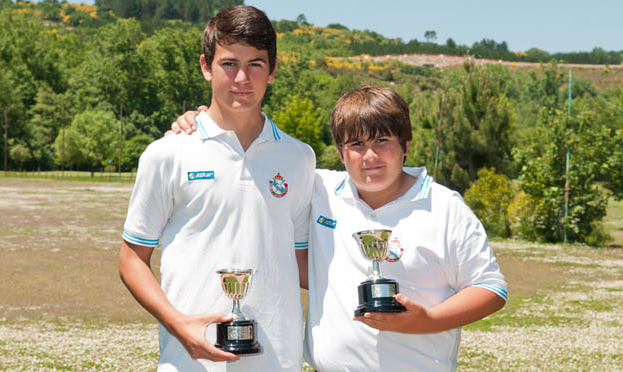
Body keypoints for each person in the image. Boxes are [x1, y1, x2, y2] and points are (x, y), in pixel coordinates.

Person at [171, 86, 507, 371]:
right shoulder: (319, 190)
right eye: (356, 145)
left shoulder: (443, 206)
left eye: (382, 141)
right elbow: (255, 164)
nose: (369, 155)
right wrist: (211, 120)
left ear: (405, 144)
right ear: (341, 153)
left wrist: (428, 320)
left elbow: (491, 289)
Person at [119, 5, 315, 372]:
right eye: (229, 63)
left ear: (272, 70)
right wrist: (179, 326)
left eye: (256, 63)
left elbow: (304, 263)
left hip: (278, 363)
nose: (242, 77)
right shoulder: (167, 153)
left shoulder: (300, 158)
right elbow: (131, 258)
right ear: (206, 66)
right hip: (190, 361)